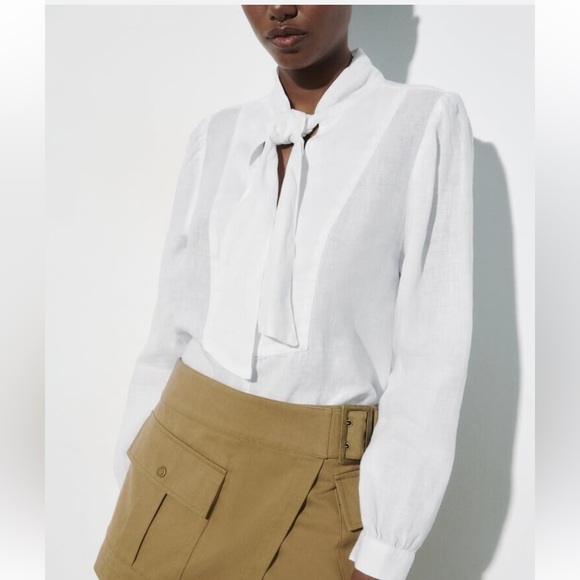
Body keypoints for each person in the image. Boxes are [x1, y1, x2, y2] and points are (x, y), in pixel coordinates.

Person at [94, 5, 474, 580]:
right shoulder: (216, 137)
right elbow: (172, 328)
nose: (280, 8)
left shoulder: (422, 123)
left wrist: (387, 548)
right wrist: (135, 470)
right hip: (178, 463)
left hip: (319, 487)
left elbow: (433, 352)